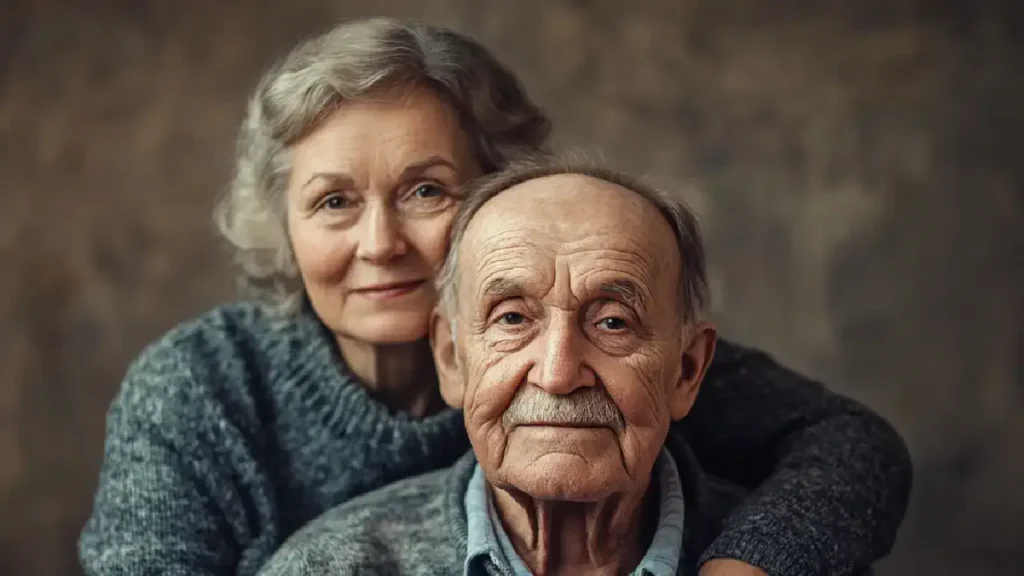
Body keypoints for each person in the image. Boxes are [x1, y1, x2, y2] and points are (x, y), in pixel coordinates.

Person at [79, 17, 911, 576]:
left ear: (499, 196)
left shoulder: (601, 357)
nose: (381, 244)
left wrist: (744, 564)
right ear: (284, 228)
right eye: (334, 202)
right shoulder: (202, 387)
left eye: (426, 191)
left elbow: (851, 446)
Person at [256, 156, 755, 576]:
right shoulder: (328, 566)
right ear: (451, 359)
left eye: (612, 323)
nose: (557, 375)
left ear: (687, 371)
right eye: (512, 318)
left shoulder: (799, 557)